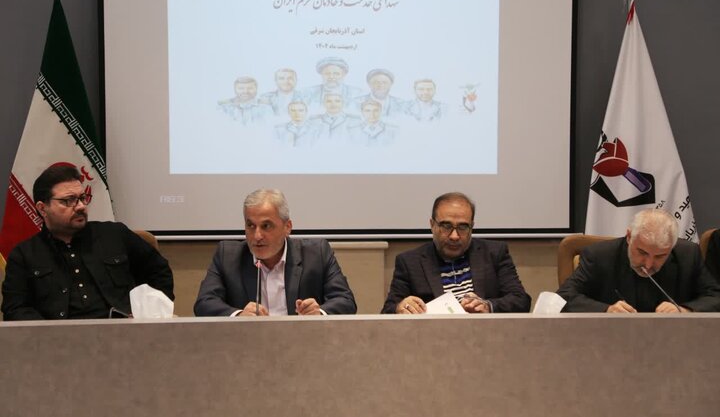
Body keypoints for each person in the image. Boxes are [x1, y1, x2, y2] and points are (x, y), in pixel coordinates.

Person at [1, 165, 174, 320]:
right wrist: (49, 335)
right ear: (42, 208)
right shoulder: (24, 255)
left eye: (83, 198)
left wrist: (150, 313)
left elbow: (159, 272)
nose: (81, 206)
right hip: (58, 341)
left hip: (122, 333)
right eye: (68, 200)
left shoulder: (115, 235)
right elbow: (15, 309)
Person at [194, 189, 356, 316]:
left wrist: (319, 312)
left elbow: (346, 301)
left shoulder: (316, 253)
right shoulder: (228, 256)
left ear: (287, 227)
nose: (257, 236)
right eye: (250, 226)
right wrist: (238, 315)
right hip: (247, 344)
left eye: (266, 226)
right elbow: (204, 303)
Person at [381, 192, 531, 314]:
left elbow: (521, 300)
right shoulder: (410, 262)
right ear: (432, 225)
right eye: (446, 226)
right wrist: (400, 307)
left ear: (472, 227)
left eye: (462, 227)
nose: (454, 236)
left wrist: (488, 306)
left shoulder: (494, 253)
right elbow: (387, 311)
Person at [557, 209, 720, 312]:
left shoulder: (688, 254)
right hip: (610, 341)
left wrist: (685, 310)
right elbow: (563, 296)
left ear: (672, 247)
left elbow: (715, 297)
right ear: (629, 237)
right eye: (642, 252)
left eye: (660, 256)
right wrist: (607, 310)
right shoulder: (600, 255)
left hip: (672, 341)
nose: (648, 264)